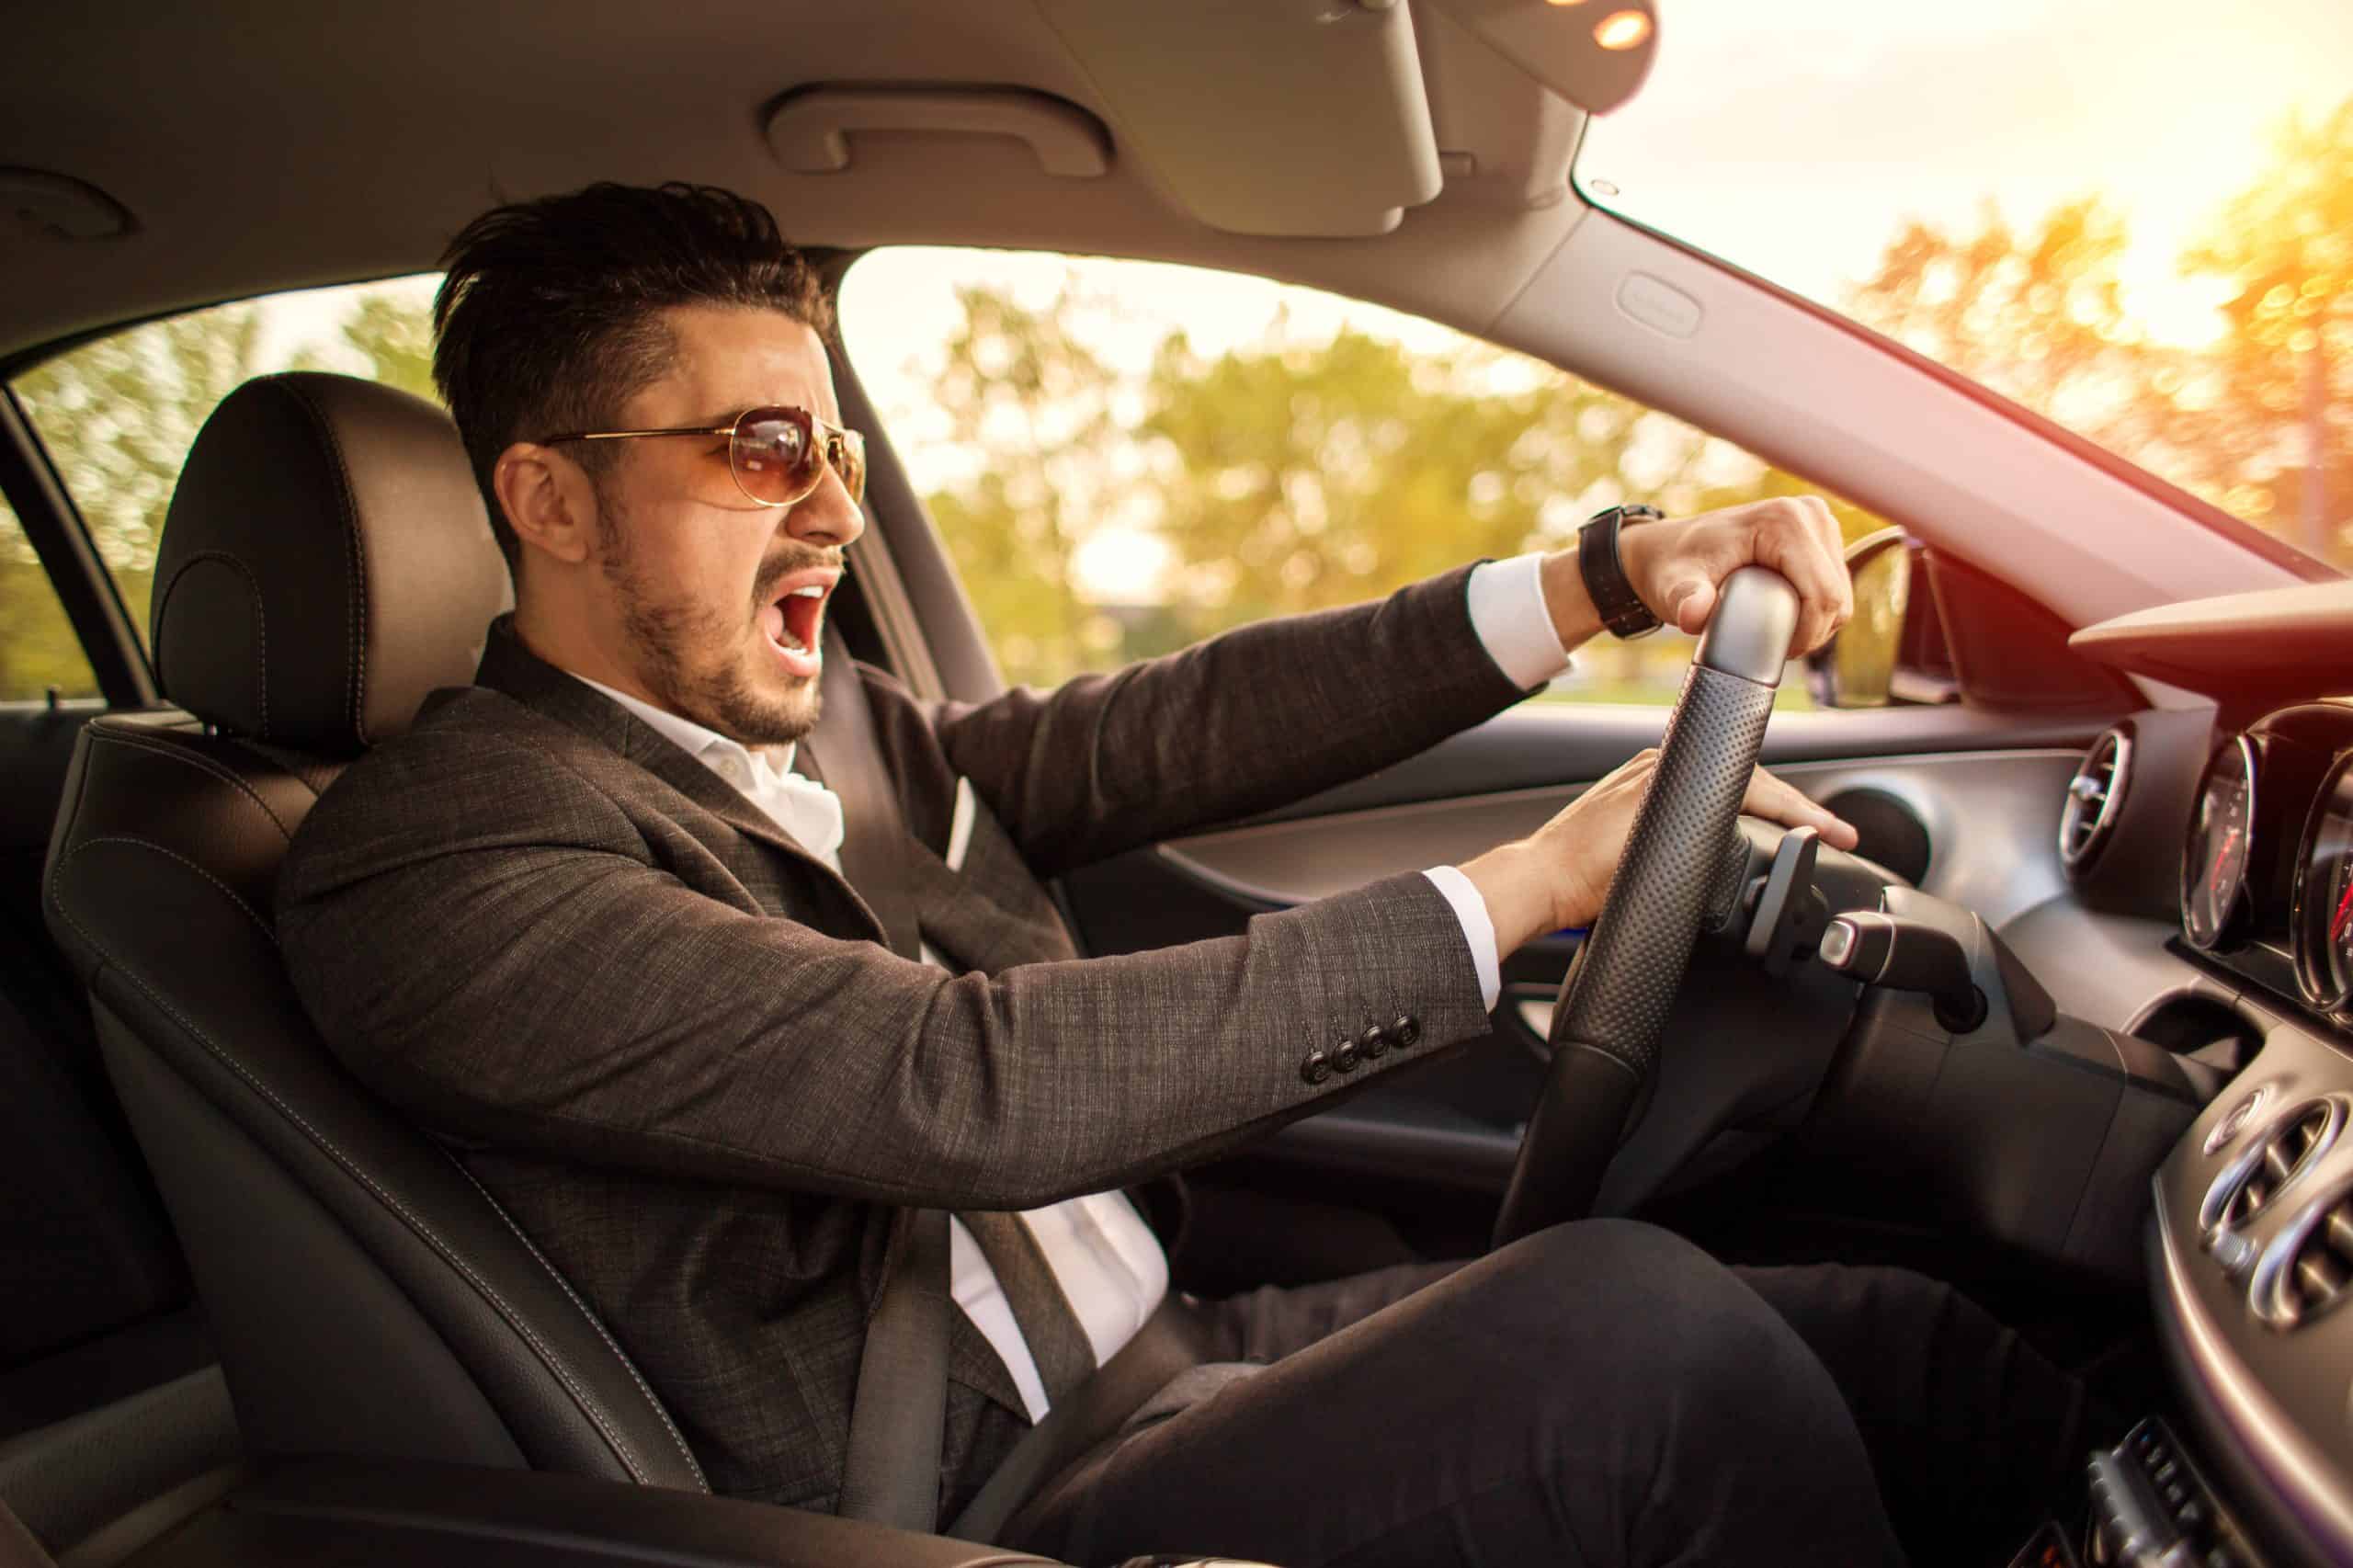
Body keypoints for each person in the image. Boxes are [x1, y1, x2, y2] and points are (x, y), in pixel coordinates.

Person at [278, 182, 2090, 1567]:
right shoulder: (439, 861)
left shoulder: (832, 725)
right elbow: (957, 1082)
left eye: (830, 444)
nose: (828, 500)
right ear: (550, 499)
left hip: (1181, 1338)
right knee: (1647, 1346)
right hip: (982, 1498)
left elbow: (1169, 728)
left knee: (1898, 1342)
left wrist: (1601, 577)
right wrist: (1533, 882)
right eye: (761, 450)